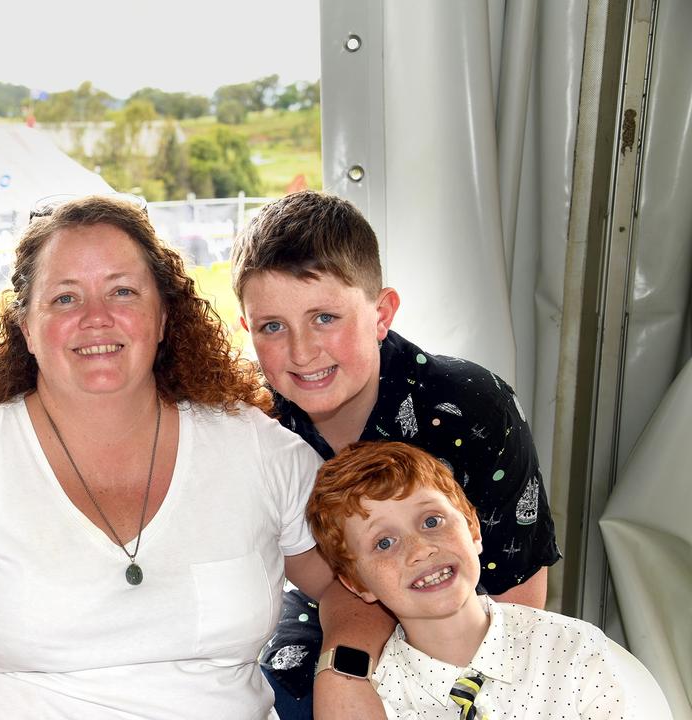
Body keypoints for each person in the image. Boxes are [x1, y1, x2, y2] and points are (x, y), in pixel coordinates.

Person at [0, 195, 338, 719]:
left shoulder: (258, 451)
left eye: (123, 291)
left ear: (162, 317)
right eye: (65, 299)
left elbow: (360, 584)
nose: (96, 318)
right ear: (26, 328)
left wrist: (348, 674)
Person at [230, 190, 561, 719]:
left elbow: (518, 594)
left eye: (325, 318)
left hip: (463, 621)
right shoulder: (250, 421)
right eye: (272, 326)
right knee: (280, 692)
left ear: (381, 313)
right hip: (328, 612)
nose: (301, 351)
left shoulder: (474, 406)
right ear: (247, 330)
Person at [307, 441, 627, 719]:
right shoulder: (376, 700)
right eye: (384, 543)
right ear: (356, 583)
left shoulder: (573, 650)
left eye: (432, 521)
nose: (421, 550)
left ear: (473, 528)